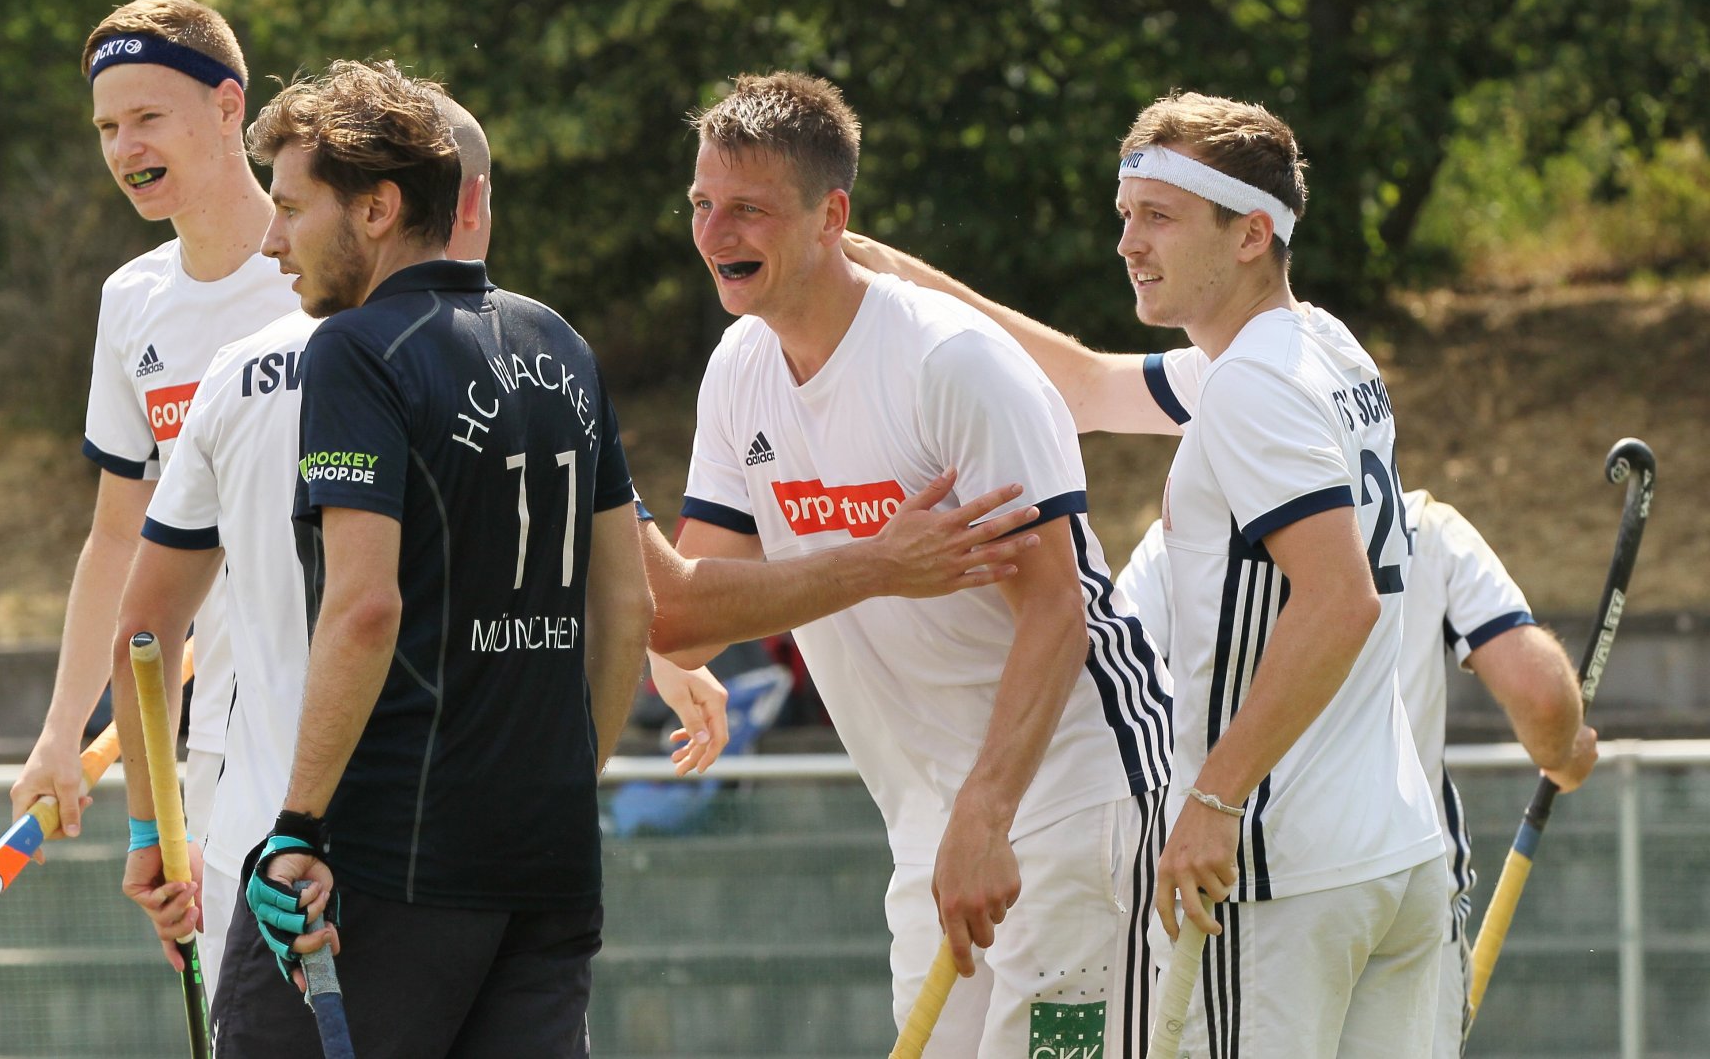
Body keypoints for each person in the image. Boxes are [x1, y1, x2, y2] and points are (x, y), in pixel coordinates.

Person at [849, 91, 1451, 1056]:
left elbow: (1339, 600)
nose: (1128, 242)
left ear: (1251, 233)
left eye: (1159, 218)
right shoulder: (1310, 346)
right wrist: (885, 270)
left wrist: (1212, 799)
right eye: (1126, 216)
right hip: (1393, 855)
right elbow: (1084, 383)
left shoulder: (1251, 383)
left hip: (1279, 867)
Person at [669, 72, 1173, 1057]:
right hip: (926, 820)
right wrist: (671, 648)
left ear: (831, 216)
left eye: (749, 210)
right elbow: (692, 608)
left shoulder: (951, 364)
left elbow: (1058, 616)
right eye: (701, 205)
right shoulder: (738, 372)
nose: (717, 232)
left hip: (1076, 797)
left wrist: (991, 814)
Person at [208, 59, 647, 1057]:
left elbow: (365, 610)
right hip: (549, 863)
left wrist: (298, 827)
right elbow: (629, 613)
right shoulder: (563, 342)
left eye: (292, 207)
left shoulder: (356, 351)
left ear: (378, 209)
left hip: (389, 865)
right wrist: (561, 786)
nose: (273, 240)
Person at [1117, 492, 1598, 1057]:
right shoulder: (1427, 526)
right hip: (1408, 886)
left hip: (1260, 897)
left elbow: (1118, 699)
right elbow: (1541, 699)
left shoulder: (1182, 535)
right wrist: (1563, 751)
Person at [8, 0, 297, 867]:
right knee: (235, 1003)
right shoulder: (131, 302)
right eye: (106, 127)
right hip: (211, 741)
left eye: (147, 118)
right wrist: (65, 731)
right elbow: (117, 538)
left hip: (347, 722)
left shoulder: (328, 272)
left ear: (226, 107)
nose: (125, 149)